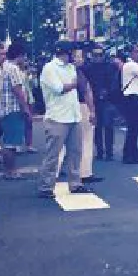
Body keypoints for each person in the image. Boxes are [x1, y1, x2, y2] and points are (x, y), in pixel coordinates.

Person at [38, 42, 89, 197]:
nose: (76, 56)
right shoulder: (50, 68)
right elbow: (59, 88)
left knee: (75, 152)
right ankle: (46, 186)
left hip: (73, 115)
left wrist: (78, 73)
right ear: (65, 53)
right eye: (74, 53)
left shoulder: (71, 68)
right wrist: (74, 83)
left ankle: (75, 183)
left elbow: (81, 86)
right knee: (53, 154)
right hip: (57, 117)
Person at [0, 40, 31, 180]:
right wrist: (26, 108)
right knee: (11, 142)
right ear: (20, 55)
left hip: (6, 108)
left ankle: (9, 170)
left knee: (9, 140)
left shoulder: (5, 67)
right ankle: (11, 171)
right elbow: (17, 90)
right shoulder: (13, 69)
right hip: (13, 109)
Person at [82, 45, 120, 160]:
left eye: (100, 55)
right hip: (92, 100)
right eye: (95, 55)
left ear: (104, 55)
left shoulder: (110, 67)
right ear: (91, 56)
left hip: (107, 100)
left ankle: (109, 152)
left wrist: (108, 92)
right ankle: (99, 152)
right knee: (96, 127)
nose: (97, 57)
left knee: (108, 126)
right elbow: (84, 84)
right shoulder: (87, 68)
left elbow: (115, 82)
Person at [71, 46, 102, 185]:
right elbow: (87, 91)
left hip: (68, 108)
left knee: (63, 141)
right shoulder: (84, 71)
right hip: (82, 106)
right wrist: (93, 110)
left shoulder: (61, 70)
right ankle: (85, 172)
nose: (79, 59)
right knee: (86, 139)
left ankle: (56, 170)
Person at [119, 45, 138, 164]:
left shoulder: (132, 65)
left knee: (136, 128)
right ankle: (128, 155)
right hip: (132, 99)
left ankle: (134, 153)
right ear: (131, 53)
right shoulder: (130, 65)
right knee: (133, 128)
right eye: (136, 52)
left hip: (136, 98)